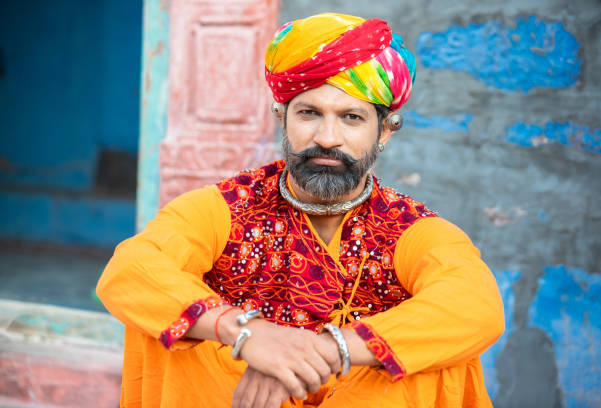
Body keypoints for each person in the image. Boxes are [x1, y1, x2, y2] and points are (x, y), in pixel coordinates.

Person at [97, 12, 504, 408]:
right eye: (309, 113)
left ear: (384, 131)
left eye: (351, 117)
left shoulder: (408, 228)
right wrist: (248, 335)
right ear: (283, 117)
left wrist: (323, 352)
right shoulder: (227, 208)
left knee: (441, 355)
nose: (327, 138)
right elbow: (130, 269)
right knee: (166, 325)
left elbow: (476, 303)